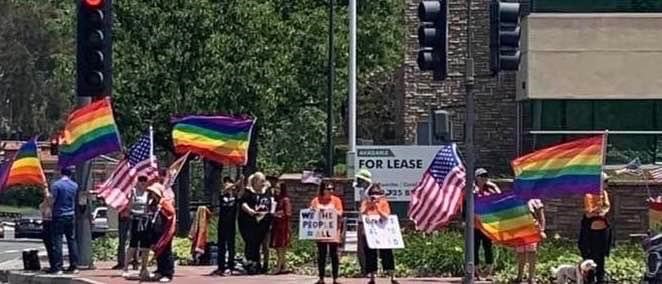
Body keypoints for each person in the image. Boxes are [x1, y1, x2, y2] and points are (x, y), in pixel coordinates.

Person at [578, 172, 612, 284]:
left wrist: (602, 210)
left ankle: (600, 278)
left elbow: (607, 207)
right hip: (591, 231)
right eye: (605, 181)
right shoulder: (589, 195)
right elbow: (589, 213)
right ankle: (589, 278)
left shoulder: (604, 193)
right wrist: (598, 210)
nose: (607, 183)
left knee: (601, 256)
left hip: (603, 229)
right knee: (590, 256)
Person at [361, 183, 398, 284]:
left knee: (387, 254)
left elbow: (386, 216)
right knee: (370, 255)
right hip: (370, 233)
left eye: (377, 193)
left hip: (383, 232)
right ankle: (372, 277)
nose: (375, 195)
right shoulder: (366, 202)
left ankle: (392, 276)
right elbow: (363, 214)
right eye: (373, 193)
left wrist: (377, 207)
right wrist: (370, 204)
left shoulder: (384, 203)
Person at [238, 172, 274, 274]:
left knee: (259, 244)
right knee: (251, 243)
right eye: (261, 181)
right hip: (249, 222)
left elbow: (271, 202)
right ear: (255, 181)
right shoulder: (248, 191)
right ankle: (250, 264)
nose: (263, 183)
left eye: (264, 181)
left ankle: (258, 265)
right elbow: (243, 203)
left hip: (263, 222)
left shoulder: (267, 191)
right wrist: (250, 211)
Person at [310, 181, 344, 284]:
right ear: (322, 189)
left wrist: (330, 211)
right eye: (328, 189)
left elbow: (340, 213)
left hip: (333, 232)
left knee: (334, 255)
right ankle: (321, 278)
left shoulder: (336, 200)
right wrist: (315, 211)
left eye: (332, 189)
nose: (331, 191)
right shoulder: (316, 200)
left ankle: (335, 278)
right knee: (321, 255)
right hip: (321, 232)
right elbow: (311, 212)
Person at [49, 167, 80, 274]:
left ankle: (58, 267)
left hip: (58, 215)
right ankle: (74, 266)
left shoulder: (56, 185)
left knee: (57, 241)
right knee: (71, 240)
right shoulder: (75, 185)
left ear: (60, 173)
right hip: (70, 214)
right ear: (70, 174)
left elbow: (52, 200)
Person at [122, 175, 153, 279]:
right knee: (133, 245)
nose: (143, 183)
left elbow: (150, 207)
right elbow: (129, 207)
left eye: (145, 181)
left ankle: (144, 268)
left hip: (146, 220)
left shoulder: (149, 193)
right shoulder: (134, 192)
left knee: (145, 246)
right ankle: (125, 268)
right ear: (137, 182)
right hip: (135, 219)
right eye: (141, 180)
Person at [210, 177, 241, 276]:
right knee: (221, 246)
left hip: (231, 225)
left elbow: (242, 191)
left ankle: (230, 266)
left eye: (229, 183)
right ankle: (221, 266)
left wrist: (242, 182)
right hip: (222, 224)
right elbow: (224, 190)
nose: (227, 185)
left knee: (231, 246)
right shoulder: (222, 195)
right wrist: (235, 183)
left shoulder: (235, 197)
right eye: (225, 183)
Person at [474, 168, 500, 279]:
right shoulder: (472, 189)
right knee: (474, 248)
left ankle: (489, 271)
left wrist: (493, 185)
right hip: (474, 225)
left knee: (487, 247)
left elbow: (499, 196)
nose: (484, 178)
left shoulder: (489, 190)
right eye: (482, 176)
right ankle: (475, 271)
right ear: (476, 177)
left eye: (486, 176)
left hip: (486, 224)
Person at [149, 181, 177, 283]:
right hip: (156, 231)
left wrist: (162, 208)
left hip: (165, 231)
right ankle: (160, 270)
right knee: (158, 252)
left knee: (166, 252)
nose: (152, 194)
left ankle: (168, 273)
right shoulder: (153, 203)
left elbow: (171, 213)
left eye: (154, 192)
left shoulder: (164, 202)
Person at [514, 199, 546, 284]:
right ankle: (519, 276)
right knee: (520, 254)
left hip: (532, 229)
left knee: (532, 252)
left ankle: (531, 278)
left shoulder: (535, 200)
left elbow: (541, 216)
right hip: (519, 230)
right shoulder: (516, 199)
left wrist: (542, 230)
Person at [271, 180, 292, 274]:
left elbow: (288, 213)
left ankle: (279, 267)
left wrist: (277, 214)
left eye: (278, 188)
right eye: (275, 187)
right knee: (278, 247)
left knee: (281, 246)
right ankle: (284, 266)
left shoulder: (285, 200)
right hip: (276, 226)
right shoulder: (276, 199)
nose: (276, 190)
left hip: (283, 226)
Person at [39, 187, 54, 271]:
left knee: (53, 246)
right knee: (48, 245)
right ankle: (52, 264)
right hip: (46, 225)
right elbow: (43, 211)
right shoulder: (42, 205)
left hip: (52, 225)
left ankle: (55, 265)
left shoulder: (55, 206)